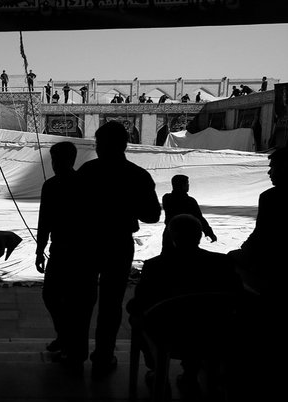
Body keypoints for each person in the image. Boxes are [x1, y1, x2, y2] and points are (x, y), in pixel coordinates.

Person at [75, 121, 161, 377]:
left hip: (88, 243)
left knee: (82, 300)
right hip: (118, 243)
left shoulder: (88, 171)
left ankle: (77, 353)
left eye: (100, 144)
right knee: (111, 303)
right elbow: (152, 215)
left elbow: (73, 210)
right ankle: (103, 355)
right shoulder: (137, 175)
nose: (99, 149)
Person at [127, 214, 243, 391]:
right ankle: (192, 371)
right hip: (212, 335)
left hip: (169, 335)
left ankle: (157, 369)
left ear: (172, 236)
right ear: (199, 235)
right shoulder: (221, 263)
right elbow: (237, 296)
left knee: (137, 319)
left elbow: (139, 303)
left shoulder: (156, 266)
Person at [35, 142, 81, 361]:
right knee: (74, 300)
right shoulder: (84, 184)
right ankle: (69, 342)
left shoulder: (52, 186)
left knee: (52, 295)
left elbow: (45, 221)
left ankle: (66, 339)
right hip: (80, 252)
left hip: (63, 250)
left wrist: (39, 250)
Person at [229, 147, 287, 296]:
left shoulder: (270, 197)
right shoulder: (269, 196)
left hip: (270, 261)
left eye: (273, 167)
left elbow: (262, 233)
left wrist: (247, 248)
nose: (269, 173)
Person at [161, 175, 216, 254]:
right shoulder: (190, 201)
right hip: (187, 234)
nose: (188, 185)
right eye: (186, 183)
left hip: (170, 232)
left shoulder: (166, 198)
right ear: (181, 185)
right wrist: (209, 233)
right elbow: (199, 218)